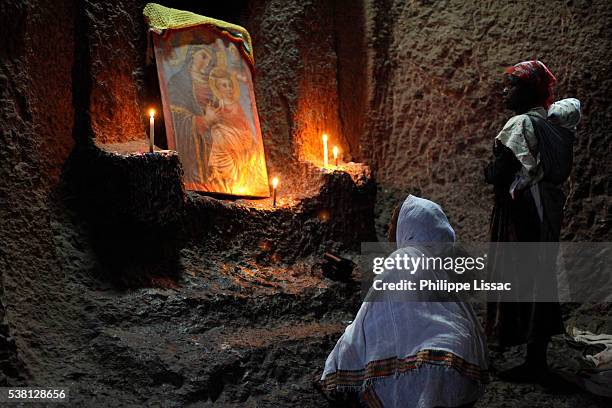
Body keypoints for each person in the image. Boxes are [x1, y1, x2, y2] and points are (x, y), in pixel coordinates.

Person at [319, 195, 488, 408]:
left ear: (410, 227)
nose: (389, 230)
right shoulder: (438, 260)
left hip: (433, 367)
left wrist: (338, 361)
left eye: (394, 222)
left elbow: (370, 319)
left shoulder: (405, 257)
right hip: (463, 361)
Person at [484, 60, 581, 383]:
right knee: (540, 279)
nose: (504, 91)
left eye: (511, 86)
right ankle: (535, 359)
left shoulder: (519, 125)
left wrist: (487, 171)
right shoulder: (550, 124)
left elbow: (499, 175)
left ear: (528, 92)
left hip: (519, 214)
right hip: (543, 211)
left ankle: (512, 352)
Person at [167, 46, 219, 188]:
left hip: (210, 142)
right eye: (203, 56)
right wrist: (201, 121)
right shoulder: (178, 81)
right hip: (190, 145)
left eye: (210, 59)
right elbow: (174, 117)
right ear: (192, 54)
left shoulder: (211, 85)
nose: (207, 62)